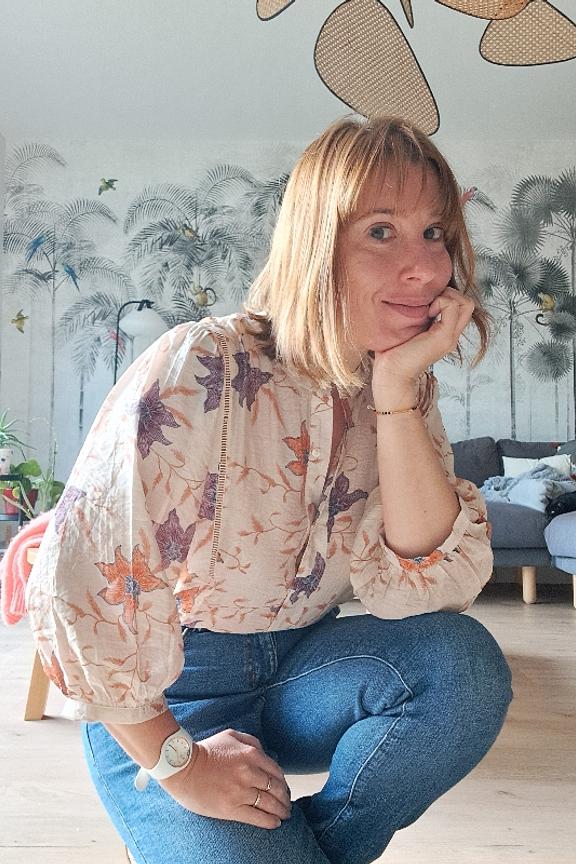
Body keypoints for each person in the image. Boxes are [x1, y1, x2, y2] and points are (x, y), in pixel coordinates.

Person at [26, 115, 512, 864]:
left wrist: (395, 391)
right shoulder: (204, 363)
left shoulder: (400, 384)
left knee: (464, 669)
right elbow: (81, 577)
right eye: (381, 231)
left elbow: (426, 588)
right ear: (316, 242)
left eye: (435, 233)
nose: (424, 268)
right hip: (174, 691)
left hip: (305, 667)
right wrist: (180, 766)